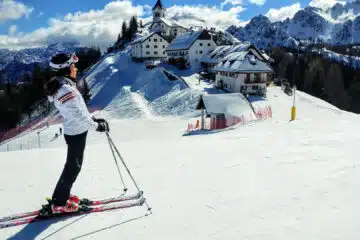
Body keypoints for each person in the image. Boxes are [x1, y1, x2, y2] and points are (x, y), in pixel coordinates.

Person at [44, 52, 109, 214]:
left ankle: (62, 195)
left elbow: (79, 110)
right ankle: (59, 202)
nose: (75, 68)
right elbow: (76, 114)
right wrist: (96, 126)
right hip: (75, 132)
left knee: (73, 166)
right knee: (73, 167)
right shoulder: (65, 89)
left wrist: (93, 119)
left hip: (76, 130)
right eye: (73, 66)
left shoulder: (65, 85)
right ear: (66, 69)